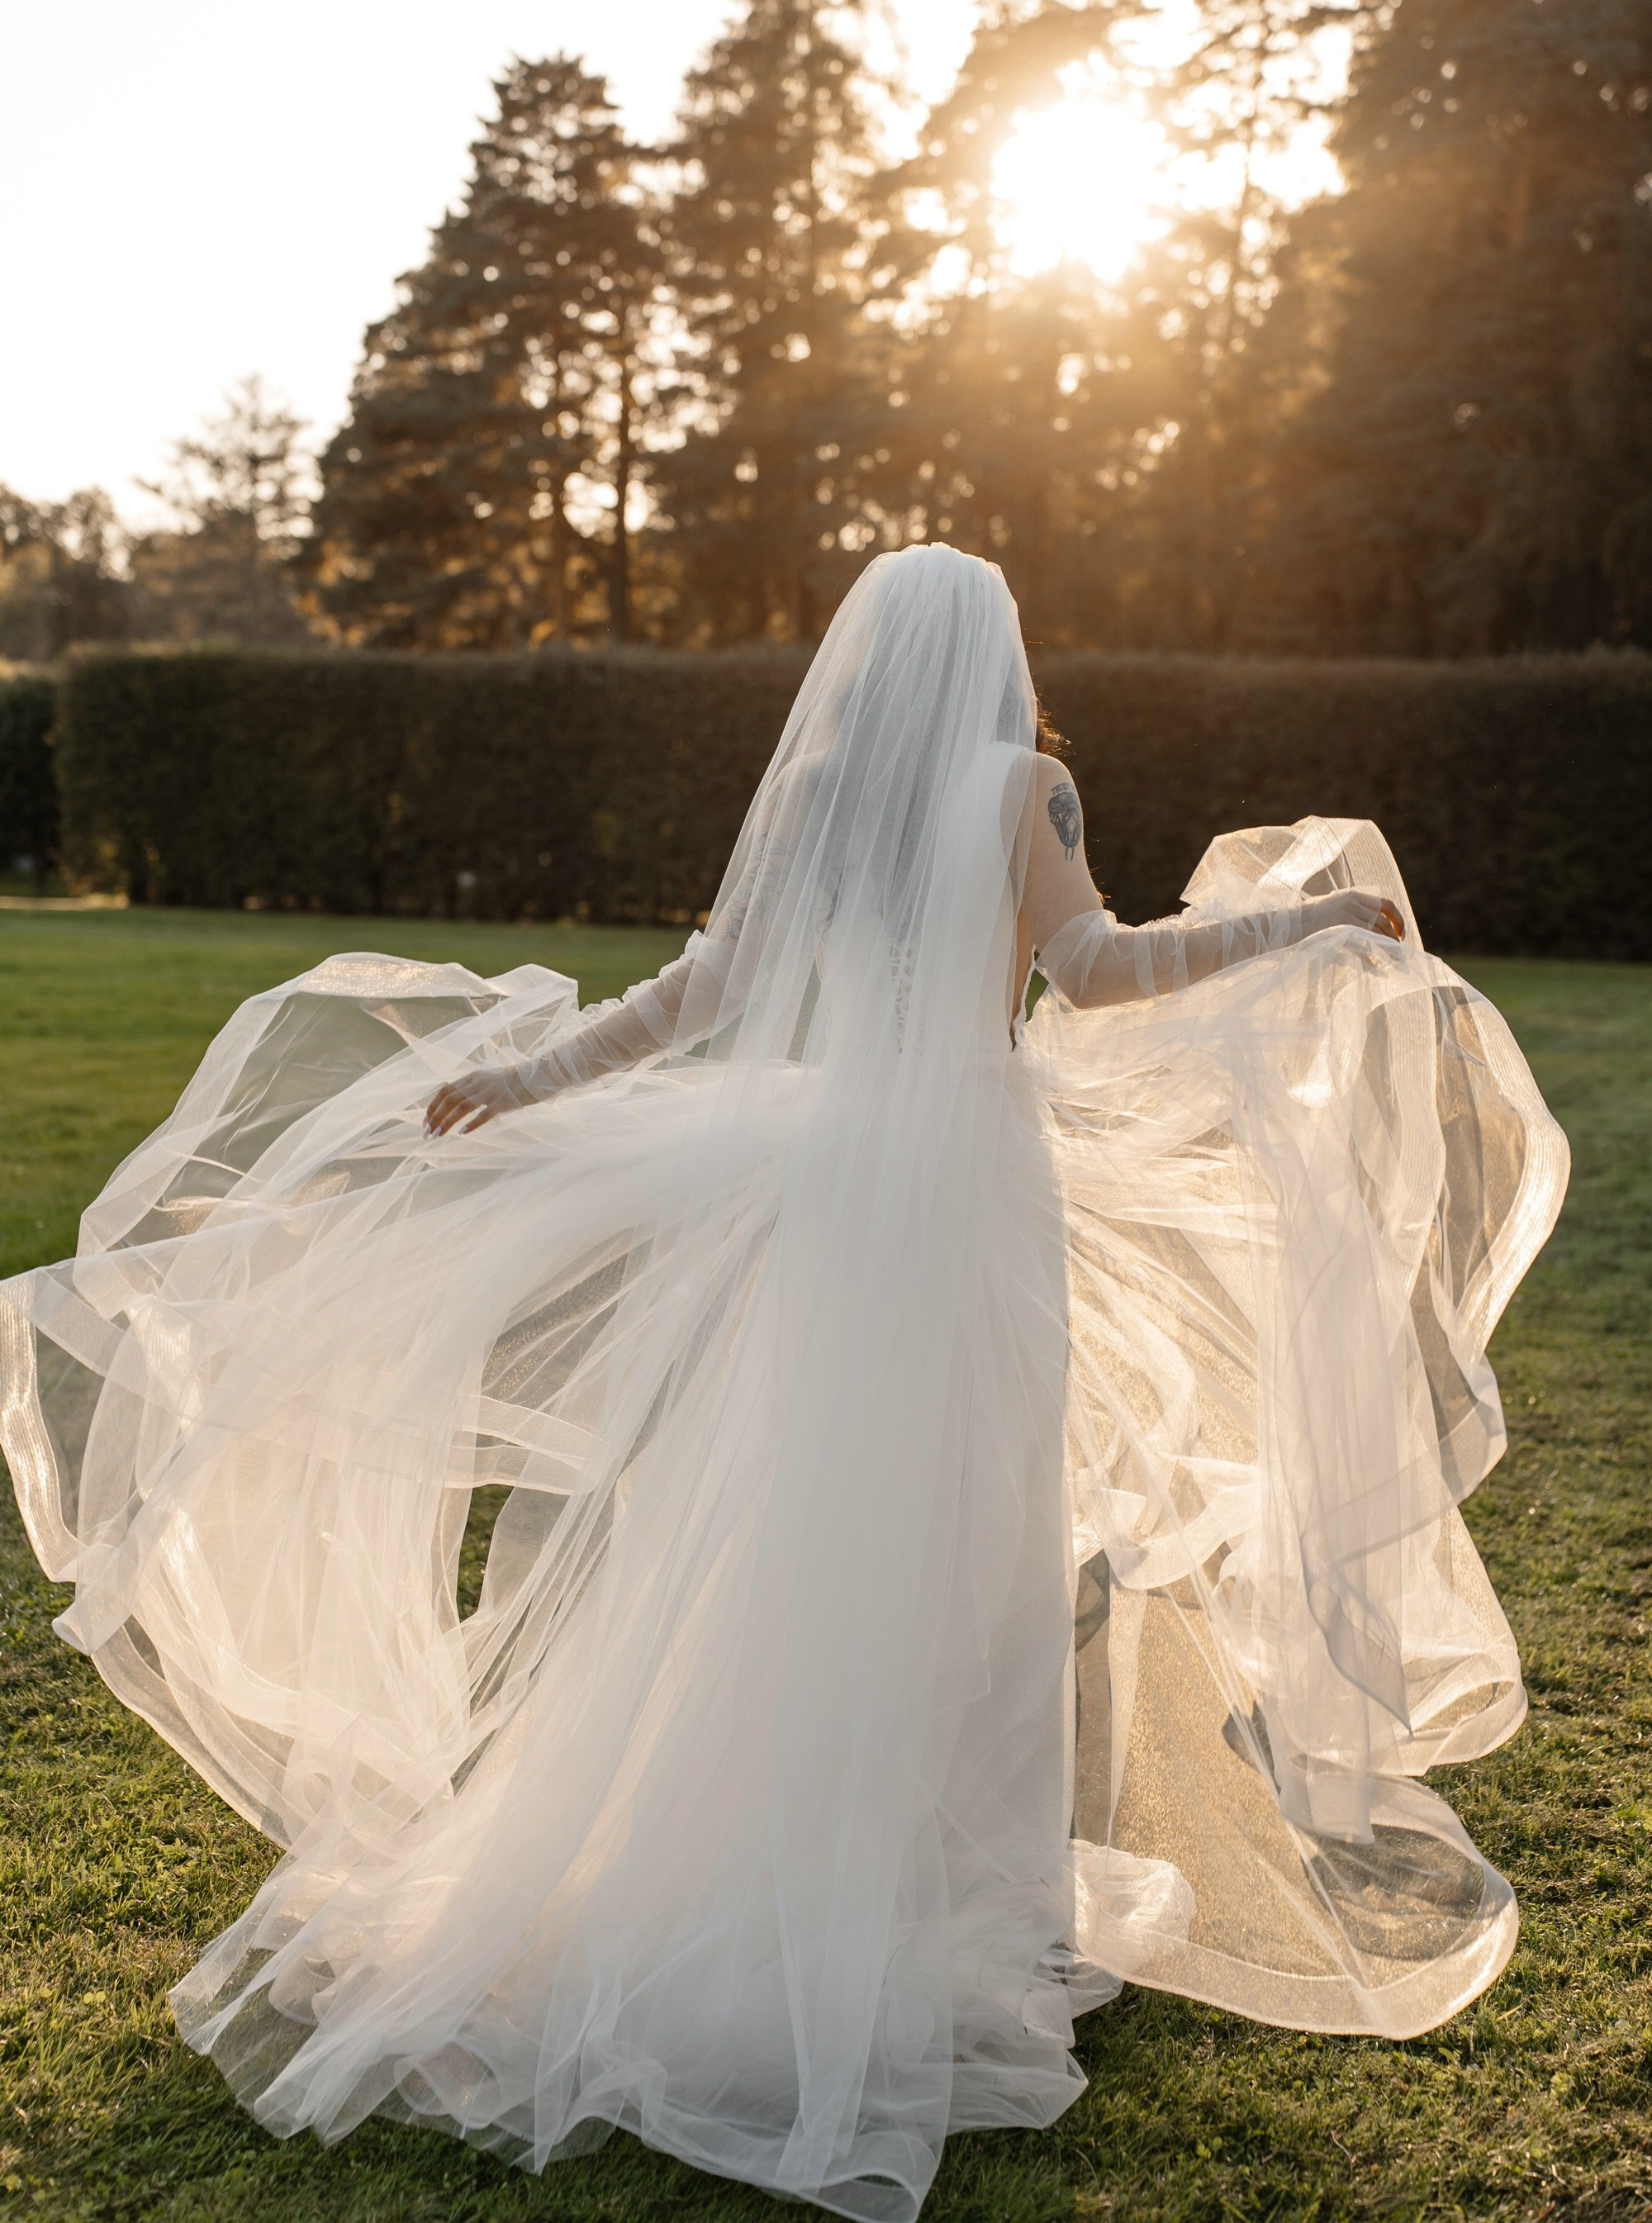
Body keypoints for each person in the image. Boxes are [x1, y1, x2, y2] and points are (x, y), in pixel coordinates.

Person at [0, 546, 1566, 2221]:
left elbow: (706, 996)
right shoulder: (1023, 788)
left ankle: (829, 1892)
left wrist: (525, 1077)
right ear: (993, 654)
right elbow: (1100, 974)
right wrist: (1306, 924)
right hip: (967, 1202)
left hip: (827, 1208)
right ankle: (944, 1911)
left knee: (794, 1543)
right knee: (976, 1555)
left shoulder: (815, 793)